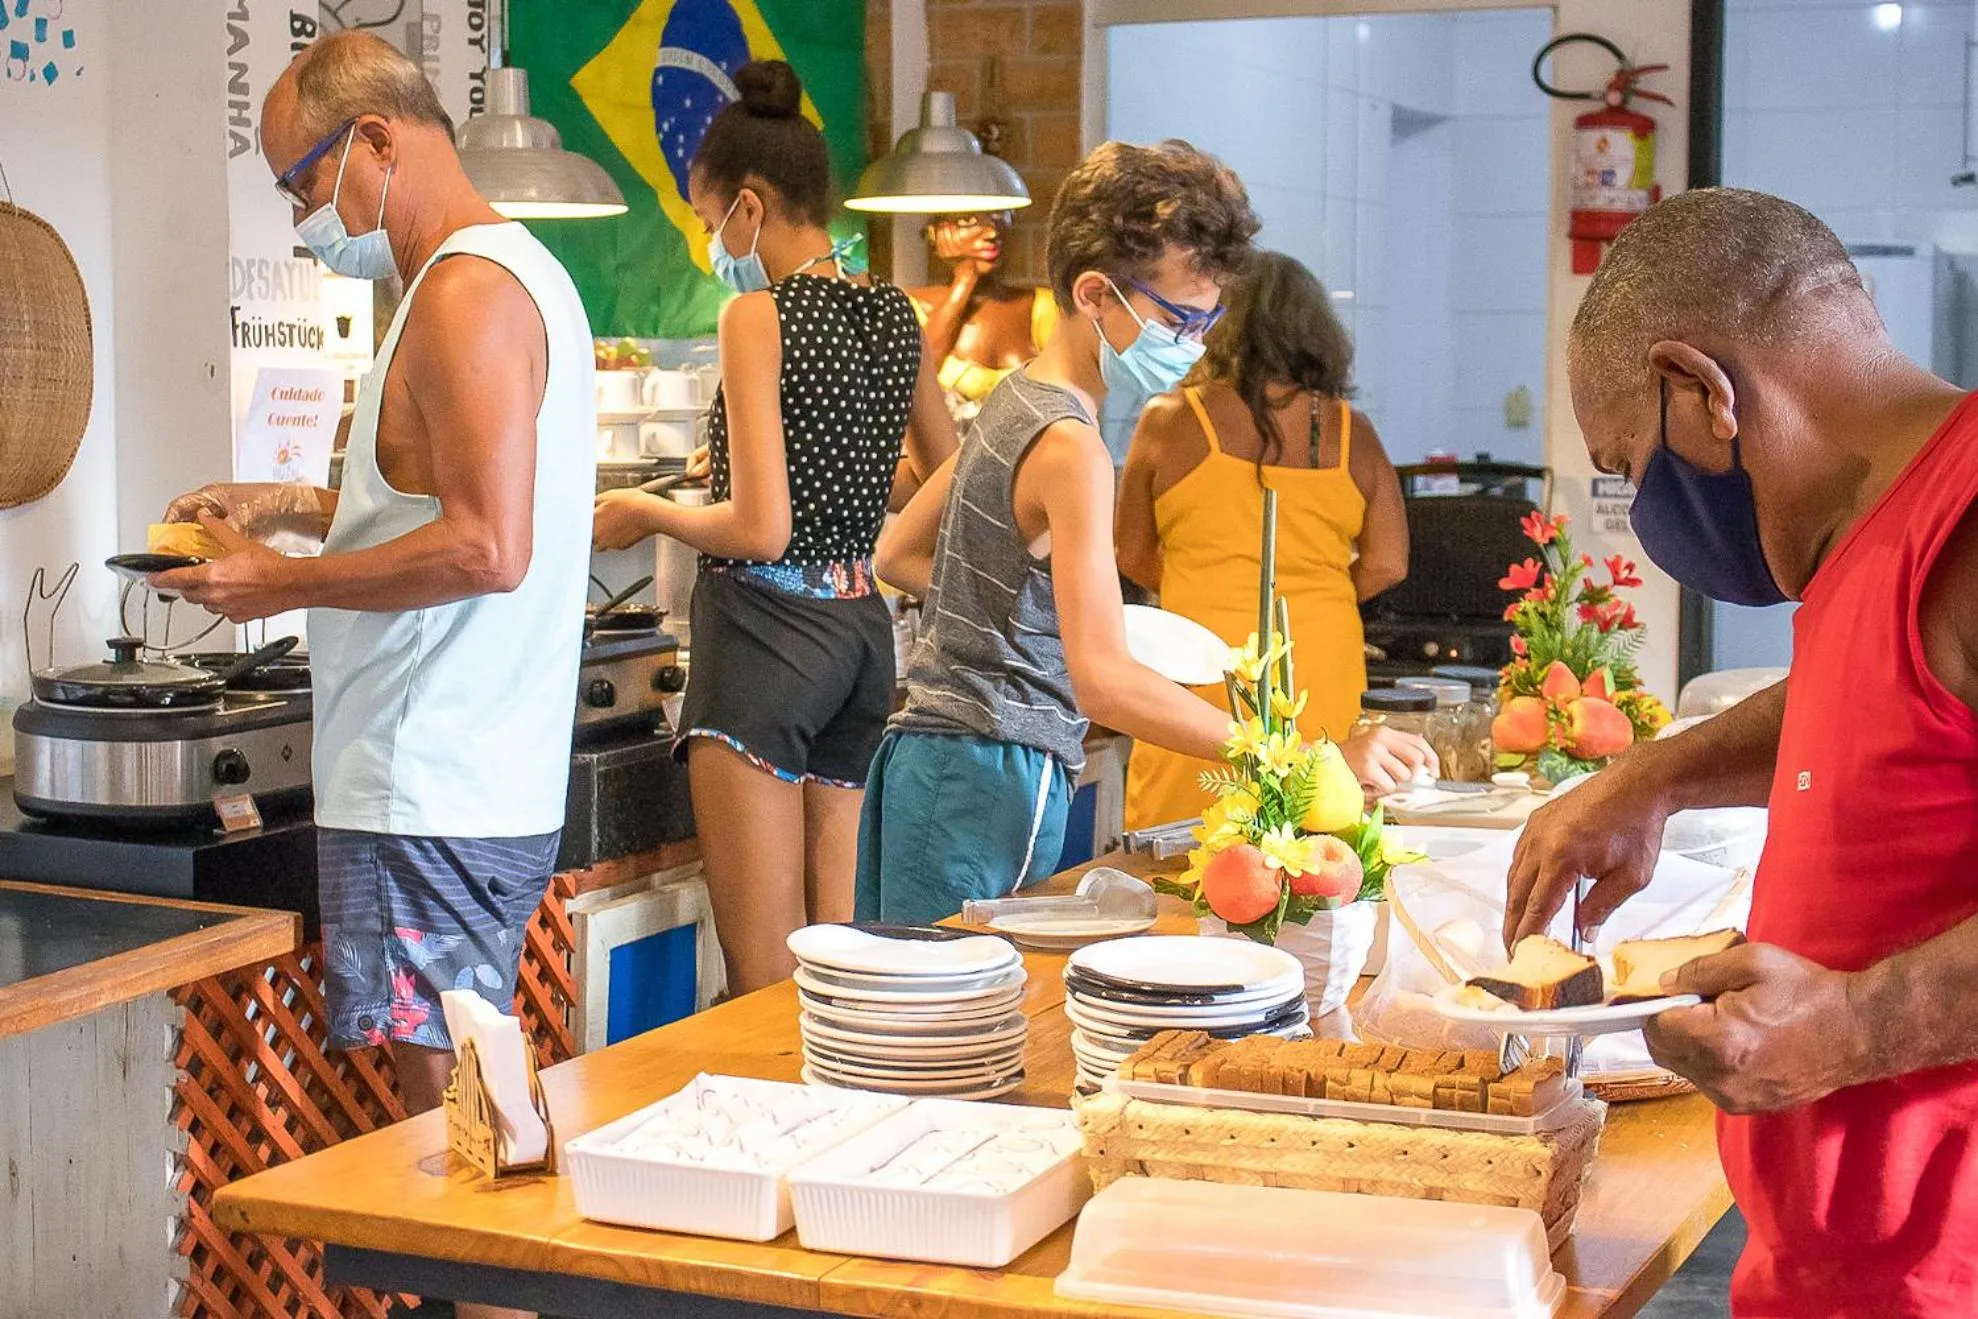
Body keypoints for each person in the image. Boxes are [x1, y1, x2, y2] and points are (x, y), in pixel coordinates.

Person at [157, 31, 592, 1319]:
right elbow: (439, 489)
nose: (301, 219)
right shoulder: (509, 274)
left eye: (301, 182)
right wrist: (289, 505)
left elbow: (487, 545)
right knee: (477, 1134)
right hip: (466, 775)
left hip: (429, 784)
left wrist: (278, 585)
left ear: (378, 143)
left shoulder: (462, 292)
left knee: (467, 1160)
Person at [1503, 187, 1978, 1316]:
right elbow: (1887, 704)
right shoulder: (1867, 537)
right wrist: (1651, 776)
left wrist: (1855, 1026)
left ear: (1700, 390)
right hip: (1834, 1272)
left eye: (1627, 462)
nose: (1642, 505)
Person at [860, 141, 1423, 926]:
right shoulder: (1074, 448)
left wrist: (1057, 617)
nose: (1195, 345)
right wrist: (1293, 757)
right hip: (988, 773)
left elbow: (900, 554)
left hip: (930, 762)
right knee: (948, 996)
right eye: (1179, 320)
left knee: (914, 982)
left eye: (1209, 322)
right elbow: (1104, 683)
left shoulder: (1016, 399)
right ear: (1095, 294)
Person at [592, 61, 955, 994]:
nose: (713, 241)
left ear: (750, 207)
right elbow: (943, 473)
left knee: (762, 982)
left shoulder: (756, 316)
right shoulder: (894, 312)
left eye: (710, 221)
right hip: (860, 642)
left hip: (764, 644)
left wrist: (644, 512)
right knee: (836, 975)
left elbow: (759, 529)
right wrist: (838, 478)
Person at [1117, 250, 1420, 831]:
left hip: (1201, 662)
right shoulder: (1353, 431)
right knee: (1315, 827)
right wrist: (1319, 595)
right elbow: (1388, 561)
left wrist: (1199, 588)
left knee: (1185, 834)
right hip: (1320, 656)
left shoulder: (1170, 418)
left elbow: (1129, 552)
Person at [908, 211, 1059, 425]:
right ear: (937, 233)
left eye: (999, 217)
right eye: (968, 220)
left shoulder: (1043, 307)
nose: (992, 233)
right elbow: (915, 385)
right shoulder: (910, 307)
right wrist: (964, 280)